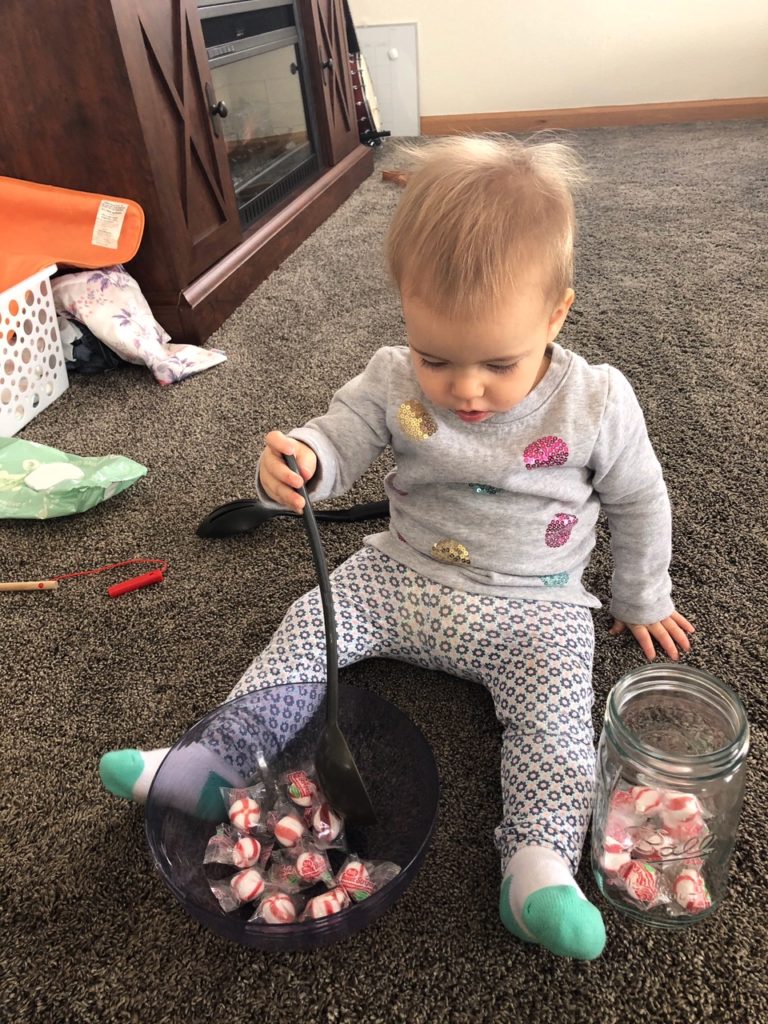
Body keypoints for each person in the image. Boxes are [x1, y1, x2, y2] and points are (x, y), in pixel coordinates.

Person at [100, 134, 694, 960]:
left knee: (558, 723)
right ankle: (218, 760)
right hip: (399, 575)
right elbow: (341, 435)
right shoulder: (389, 375)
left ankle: (538, 867)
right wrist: (305, 460)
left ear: (556, 313)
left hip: (538, 605)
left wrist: (643, 596)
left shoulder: (598, 402)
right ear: (406, 312)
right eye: (436, 356)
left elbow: (638, 498)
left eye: (499, 361)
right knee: (310, 620)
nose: (465, 388)